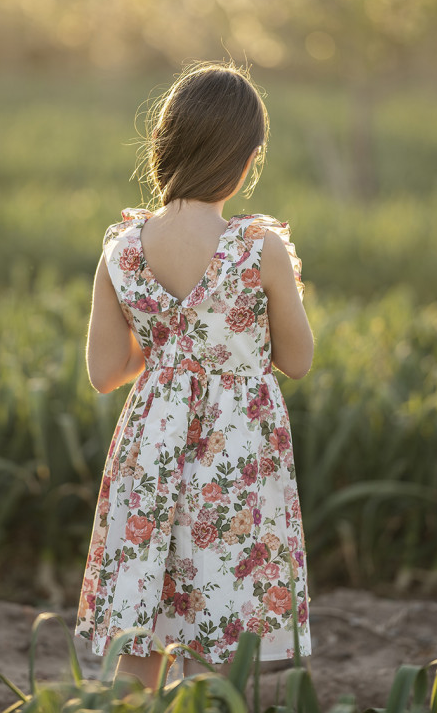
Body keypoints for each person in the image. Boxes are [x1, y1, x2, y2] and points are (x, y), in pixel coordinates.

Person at [74, 61, 314, 688]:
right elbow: (297, 359)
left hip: (151, 450)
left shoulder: (122, 248)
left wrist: (171, 359)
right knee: (222, 627)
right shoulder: (257, 247)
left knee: (143, 626)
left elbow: (105, 372)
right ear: (246, 158)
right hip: (234, 456)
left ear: (166, 144)